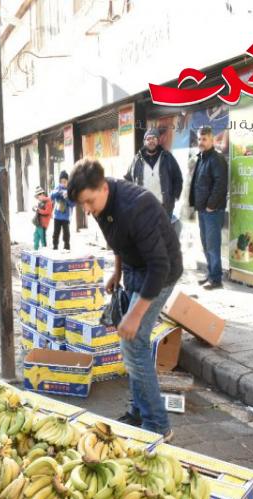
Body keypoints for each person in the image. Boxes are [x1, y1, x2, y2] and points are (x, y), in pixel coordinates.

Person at [67, 158, 182, 440]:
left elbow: (160, 267)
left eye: (89, 202)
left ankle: (158, 426)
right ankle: (137, 411)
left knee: (134, 343)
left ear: (104, 188)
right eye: (83, 204)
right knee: (129, 345)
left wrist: (135, 314)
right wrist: (116, 273)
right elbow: (119, 241)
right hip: (133, 270)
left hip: (160, 273)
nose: (87, 209)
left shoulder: (136, 207)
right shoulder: (102, 207)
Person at [124, 128, 184, 236]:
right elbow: (128, 179)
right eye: (148, 138)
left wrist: (174, 197)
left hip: (164, 206)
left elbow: (178, 177)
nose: (151, 141)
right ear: (144, 141)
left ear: (158, 140)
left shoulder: (167, 157)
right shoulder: (137, 160)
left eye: (154, 138)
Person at [189, 125, 228, 290]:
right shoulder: (202, 157)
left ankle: (216, 279)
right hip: (202, 209)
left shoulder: (216, 159)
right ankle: (211, 275)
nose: (201, 142)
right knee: (206, 244)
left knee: (212, 245)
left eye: (204, 139)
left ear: (212, 139)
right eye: (199, 139)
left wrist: (211, 205)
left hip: (212, 211)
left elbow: (220, 184)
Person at [50, 171, 74, 250]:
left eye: (65, 181)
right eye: (61, 182)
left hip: (66, 217)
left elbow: (73, 204)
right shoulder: (57, 188)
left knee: (66, 234)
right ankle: (55, 246)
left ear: (68, 182)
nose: (63, 183)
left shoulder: (70, 190)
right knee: (56, 233)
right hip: (57, 216)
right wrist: (58, 192)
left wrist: (66, 197)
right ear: (59, 182)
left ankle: (67, 247)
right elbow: (51, 196)